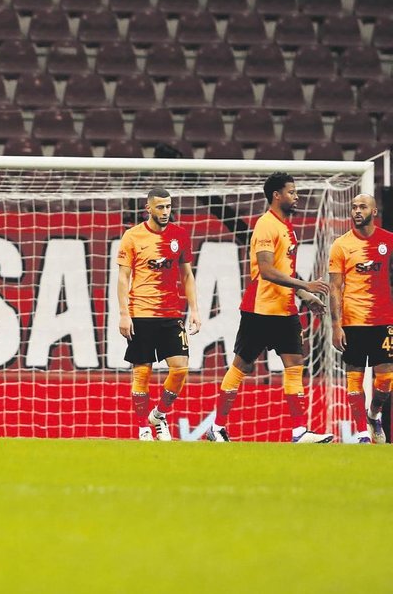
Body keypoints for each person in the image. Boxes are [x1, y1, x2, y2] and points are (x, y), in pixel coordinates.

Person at [210, 173, 333, 443]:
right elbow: (266, 270)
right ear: (277, 195)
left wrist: (304, 295)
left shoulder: (287, 227)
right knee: (241, 366)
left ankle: (299, 431)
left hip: (285, 309)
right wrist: (305, 284)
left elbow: (282, 270)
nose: (296, 196)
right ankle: (217, 427)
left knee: (295, 365)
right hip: (260, 310)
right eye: (291, 192)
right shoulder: (265, 225)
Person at [116, 188, 201, 441]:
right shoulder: (133, 236)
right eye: (160, 207)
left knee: (180, 369)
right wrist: (124, 314)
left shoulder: (179, 235)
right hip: (141, 312)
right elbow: (123, 277)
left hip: (171, 313)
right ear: (148, 209)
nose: (165, 212)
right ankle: (143, 427)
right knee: (142, 372)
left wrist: (194, 309)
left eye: (168, 207)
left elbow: (187, 275)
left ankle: (159, 414)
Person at [329, 194, 393, 444]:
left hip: (384, 319)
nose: (357, 211)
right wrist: (336, 325)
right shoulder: (341, 245)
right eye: (354, 207)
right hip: (353, 320)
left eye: (362, 207)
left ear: (374, 212)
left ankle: (374, 414)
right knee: (354, 377)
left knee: (386, 378)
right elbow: (335, 287)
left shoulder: (388, 241)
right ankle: (362, 434)